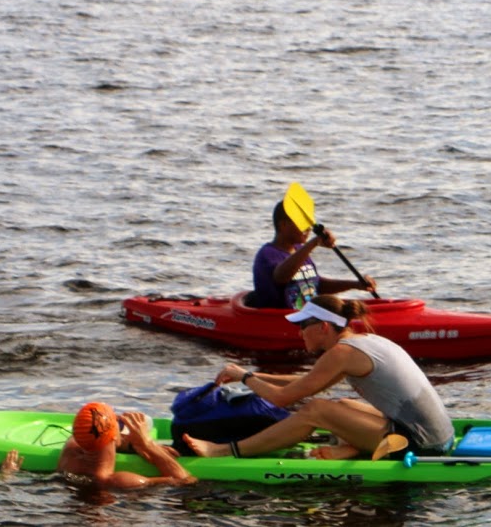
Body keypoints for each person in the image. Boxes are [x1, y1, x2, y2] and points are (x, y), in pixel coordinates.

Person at [181, 296, 453, 460]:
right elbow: (306, 381)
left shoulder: (342, 353)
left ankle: (224, 451)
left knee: (316, 411)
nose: (300, 333)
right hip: (437, 436)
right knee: (342, 404)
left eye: (303, 325)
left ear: (323, 327)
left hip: (419, 446)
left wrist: (245, 377)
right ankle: (353, 447)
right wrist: (249, 375)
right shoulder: (364, 341)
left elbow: (282, 399)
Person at [250, 200, 377, 310]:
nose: (308, 229)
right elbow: (281, 277)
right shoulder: (267, 254)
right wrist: (313, 243)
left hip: (308, 318)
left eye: (308, 224)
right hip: (279, 319)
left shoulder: (300, 250)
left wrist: (355, 284)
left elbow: (316, 284)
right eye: (301, 223)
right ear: (283, 225)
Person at [57, 402, 195, 489]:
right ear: (115, 436)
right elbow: (185, 480)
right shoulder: (120, 481)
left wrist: (132, 446)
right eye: (118, 424)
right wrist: (148, 445)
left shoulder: (70, 451)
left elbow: (91, 432)